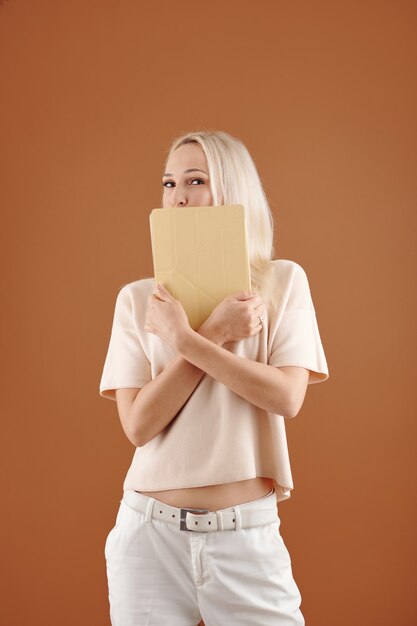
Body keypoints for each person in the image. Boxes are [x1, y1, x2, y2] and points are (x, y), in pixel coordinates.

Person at [99, 129, 329, 626]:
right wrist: (212, 334)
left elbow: (287, 398)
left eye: (196, 179)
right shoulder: (139, 300)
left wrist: (191, 340)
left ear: (232, 188)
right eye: (169, 182)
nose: (178, 195)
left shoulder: (283, 282)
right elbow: (139, 426)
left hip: (246, 536)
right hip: (148, 537)